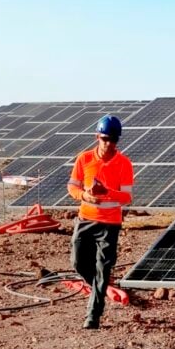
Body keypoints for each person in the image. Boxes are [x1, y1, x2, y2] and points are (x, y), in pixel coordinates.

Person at [66, 114, 134, 329]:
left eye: (113, 139)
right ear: (97, 137)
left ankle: (93, 315)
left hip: (110, 224)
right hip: (86, 219)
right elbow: (72, 186)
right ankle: (99, 286)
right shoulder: (84, 159)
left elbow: (127, 197)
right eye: (105, 139)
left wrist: (107, 192)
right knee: (78, 263)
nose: (109, 144)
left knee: (103, 268)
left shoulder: (124, 163)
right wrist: (84, 196)